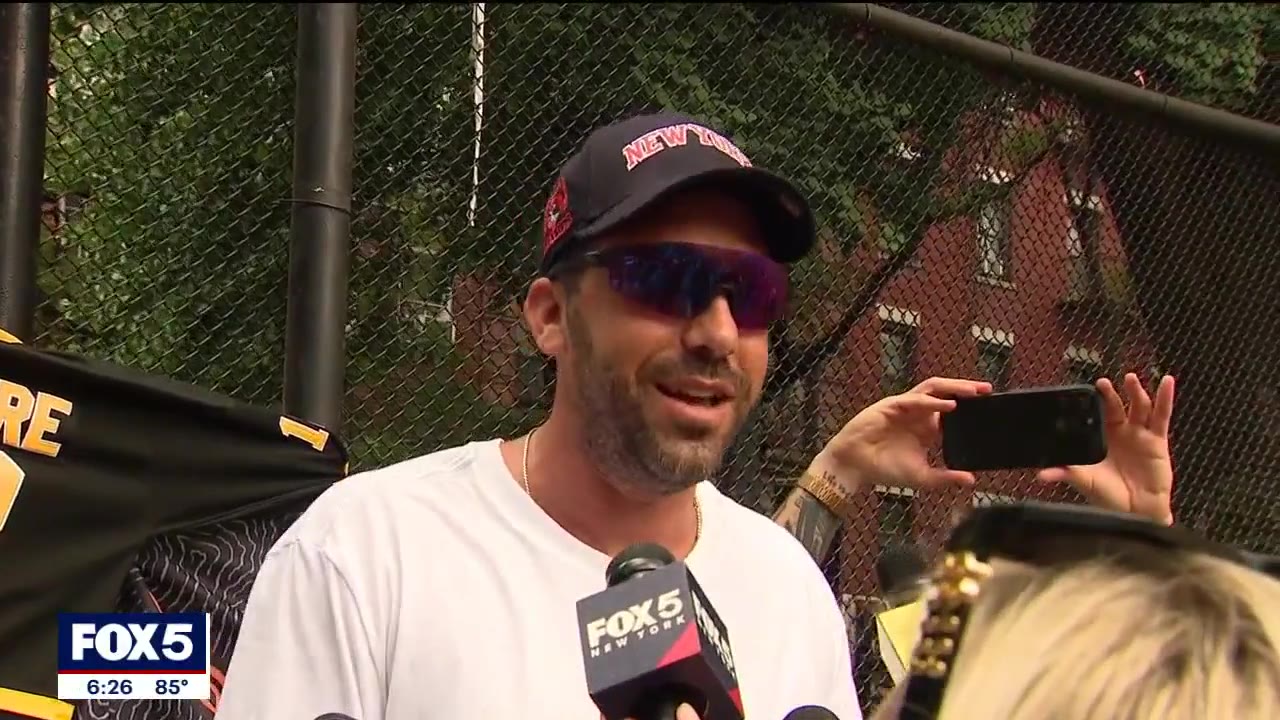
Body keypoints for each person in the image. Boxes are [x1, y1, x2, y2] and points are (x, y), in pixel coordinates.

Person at [216, 110, 870, 720]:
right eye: (669, 280)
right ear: (552, 316)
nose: (719, 335)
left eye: (754, 293)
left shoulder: (790, 593)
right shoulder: (362, 553)